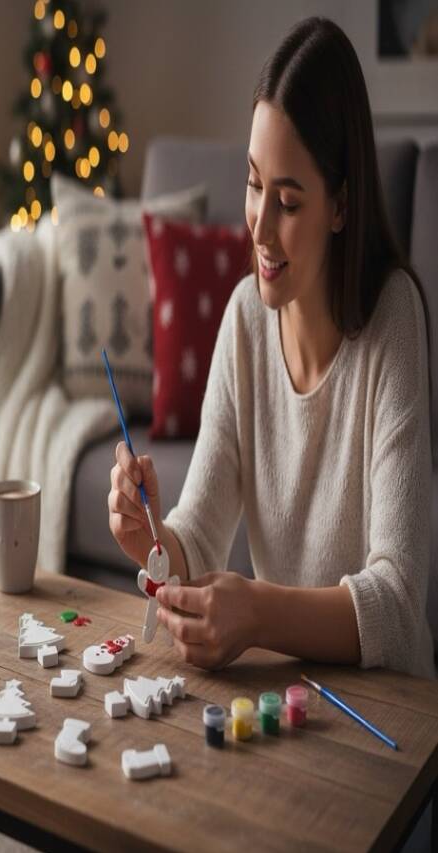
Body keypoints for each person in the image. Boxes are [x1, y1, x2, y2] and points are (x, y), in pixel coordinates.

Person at [108, 17, 435, 679]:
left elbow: (398, 605)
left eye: (286, 200)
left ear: (340, 205)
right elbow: (197, 535)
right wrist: (152, 542)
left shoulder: (392, 315)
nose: (256, 224)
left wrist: (256, 611)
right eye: (253, 184)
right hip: (282, 699)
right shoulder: (243, 319)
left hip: (384, 718)